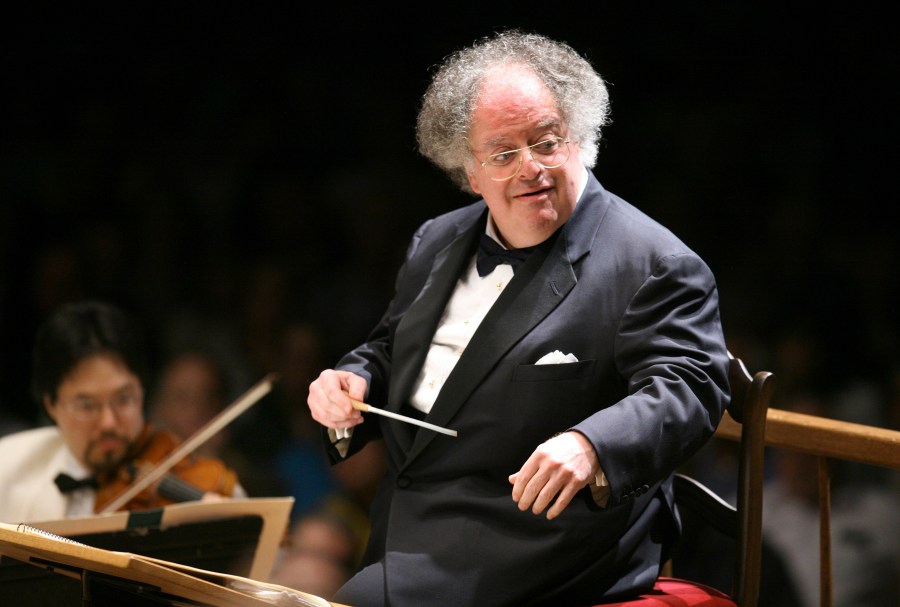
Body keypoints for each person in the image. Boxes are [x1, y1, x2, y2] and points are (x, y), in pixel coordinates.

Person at [305, 30, 730, 606]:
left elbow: (691, 386)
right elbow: (388, 346)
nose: (530, 167)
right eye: (504, 153)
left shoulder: (655, 263)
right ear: (469, 172)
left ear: (578, 139)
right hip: (402, 527)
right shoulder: (436, 238)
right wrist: (352, 379)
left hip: (537, 539)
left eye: (547, 141)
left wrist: (591, 445)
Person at [0, 300, 246, 524]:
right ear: (51, 406)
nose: (108, 422)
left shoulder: (196, 479)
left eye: (124, 399)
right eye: (87, 405)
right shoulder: (8, 469)